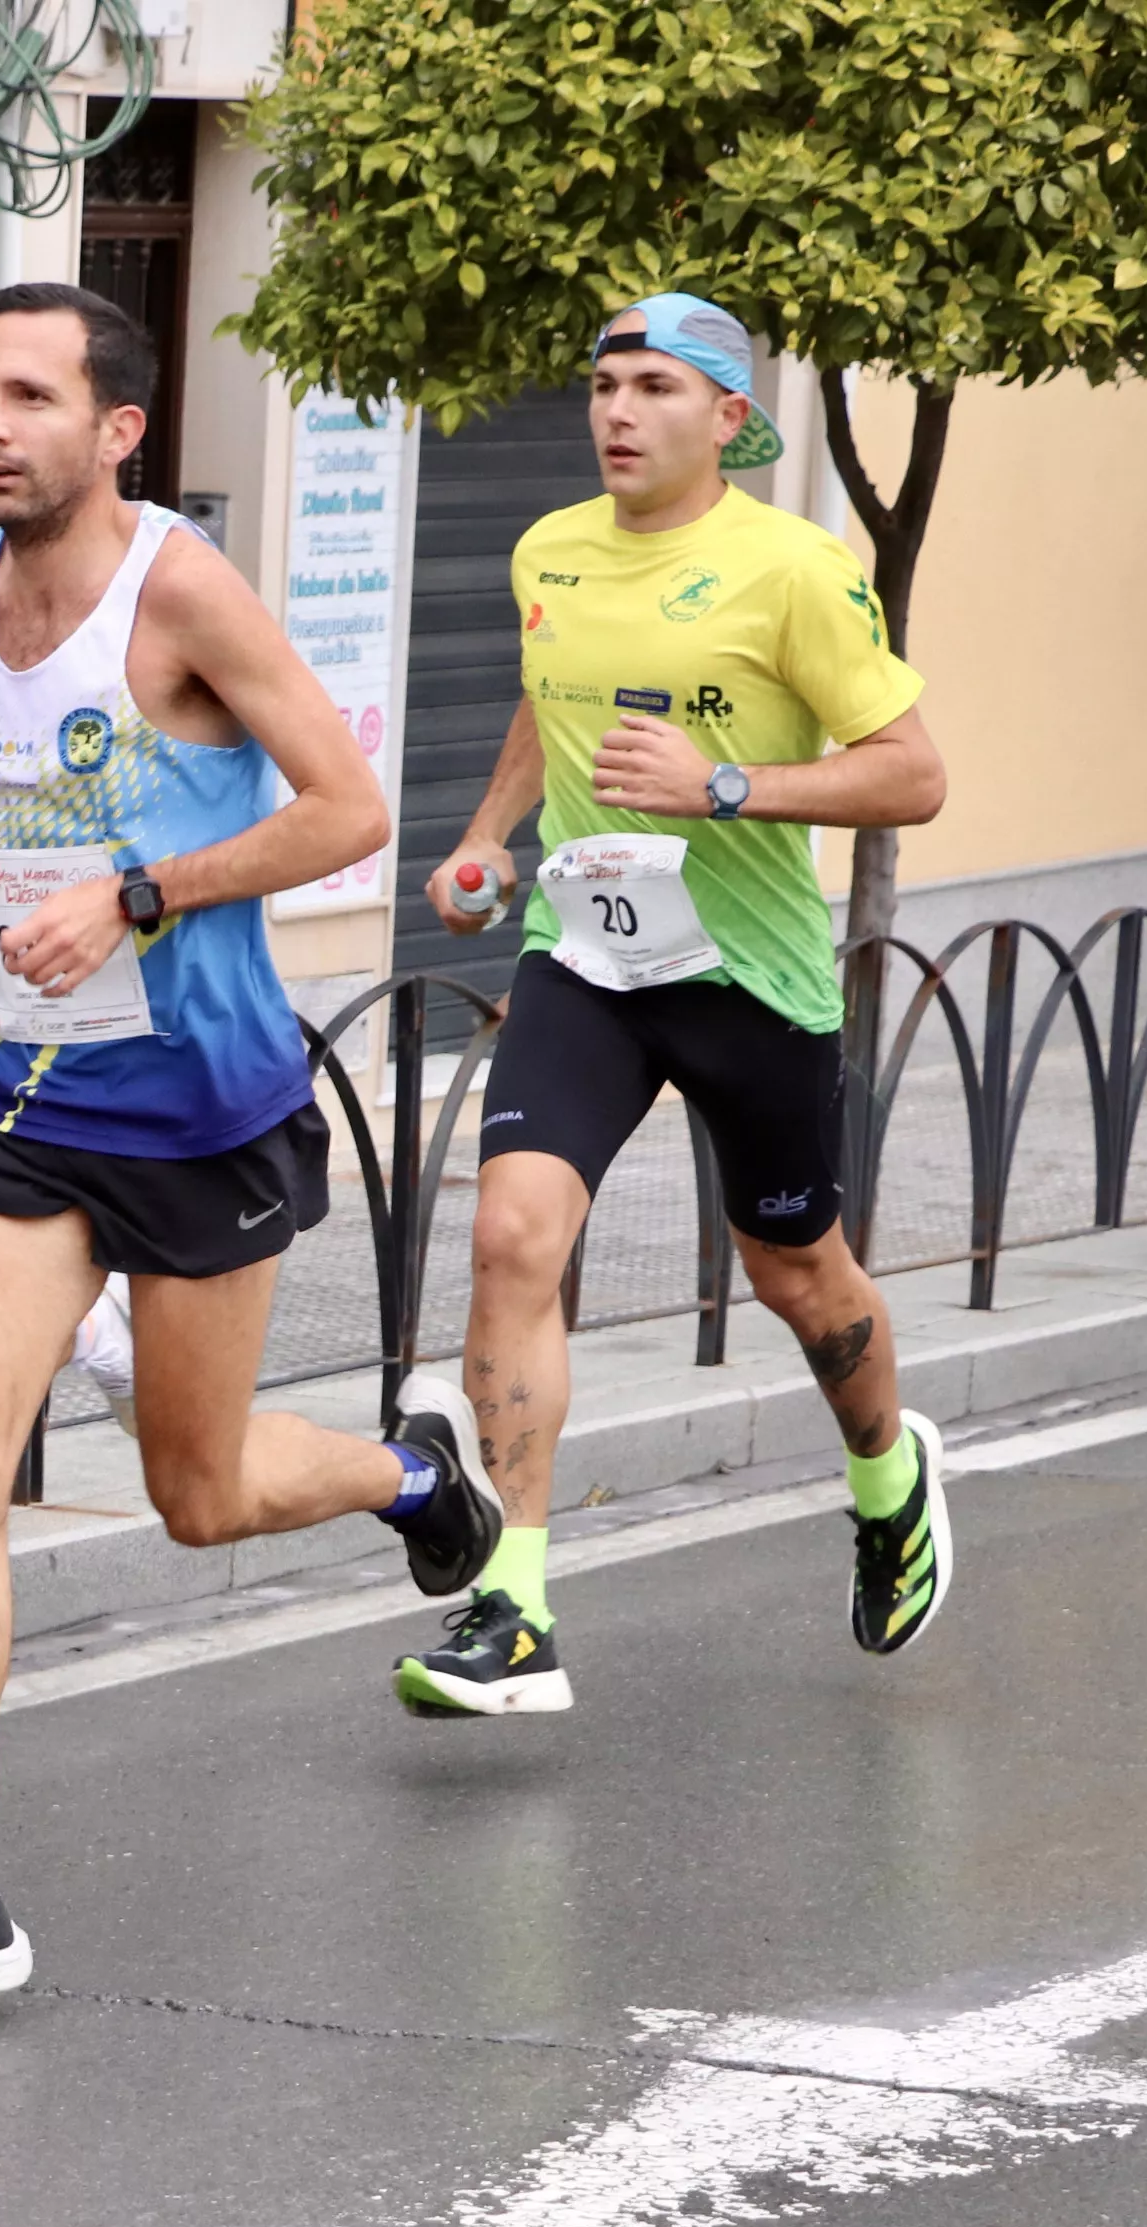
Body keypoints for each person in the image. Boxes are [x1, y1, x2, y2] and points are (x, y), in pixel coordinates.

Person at [0, 284, 498, 2026]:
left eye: (28, 396)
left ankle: (415, 1481)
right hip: (19, 1106)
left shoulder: (177, 592)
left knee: (195, 1497)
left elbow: (347, 811)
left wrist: (138, 891)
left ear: (115, 429)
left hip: (202, 1110)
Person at [397, 294, 950, 1714]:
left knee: (797, 1277)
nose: (616, 411)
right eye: (602, 384)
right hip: (586, 956)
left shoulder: (795, 570)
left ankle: (889, 1480)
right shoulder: (550, 552)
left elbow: (913, 773)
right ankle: (512, 1609)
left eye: (651, 387)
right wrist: (486, 833)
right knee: (514, 1234)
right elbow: (547, 695)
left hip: (747, 977)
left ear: (725, 417)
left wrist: (729, 786)